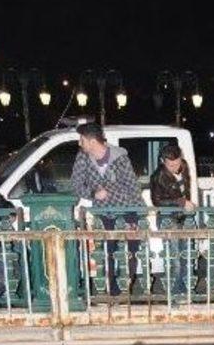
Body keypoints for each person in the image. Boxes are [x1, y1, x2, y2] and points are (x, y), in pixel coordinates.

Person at [71, 122, 143, 296]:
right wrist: (93, 194)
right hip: (103, 212)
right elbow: (76, 184)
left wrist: (135, 216)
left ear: (91, 141)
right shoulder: (83, 158)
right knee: (106, 251)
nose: (79, 143)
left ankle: (127, 286)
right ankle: (112, 290)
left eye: (81, 140)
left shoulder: (120, 157)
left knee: (131, 250)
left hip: (126, 210)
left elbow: (133, 187)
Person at [149, 142, 195, 299]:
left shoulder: (185, 166)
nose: (175, 167)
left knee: (186, 255)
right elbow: (157, 202)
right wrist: (180, 202)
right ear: (163, 161)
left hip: (184, 217)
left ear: (181, 158)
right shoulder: (157, 176)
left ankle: (185, 289)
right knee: (175, 258)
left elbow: (186, 189)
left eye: (177, 163)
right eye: (170, 165)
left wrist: (187, 205)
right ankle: (175, 293)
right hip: (167, 218)